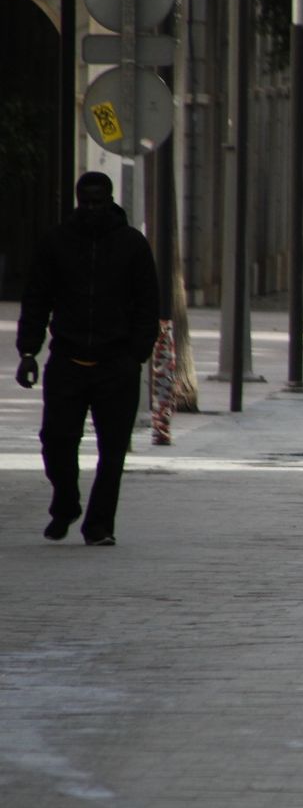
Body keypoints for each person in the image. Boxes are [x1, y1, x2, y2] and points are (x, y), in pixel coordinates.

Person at [15, 171, 159, 546]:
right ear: (78, 201)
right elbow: (36, 299)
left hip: (117, 364)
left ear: (110, 200)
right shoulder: (57, 243)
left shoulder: (132, 245)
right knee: (56, 441)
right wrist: (28, 351)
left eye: (99, 201)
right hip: (67, 361)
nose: (92, 209)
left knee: (112, 454)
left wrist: (137, 354)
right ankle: (65, 503)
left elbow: (148, 304)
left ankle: (99, 525)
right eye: (86, 202)